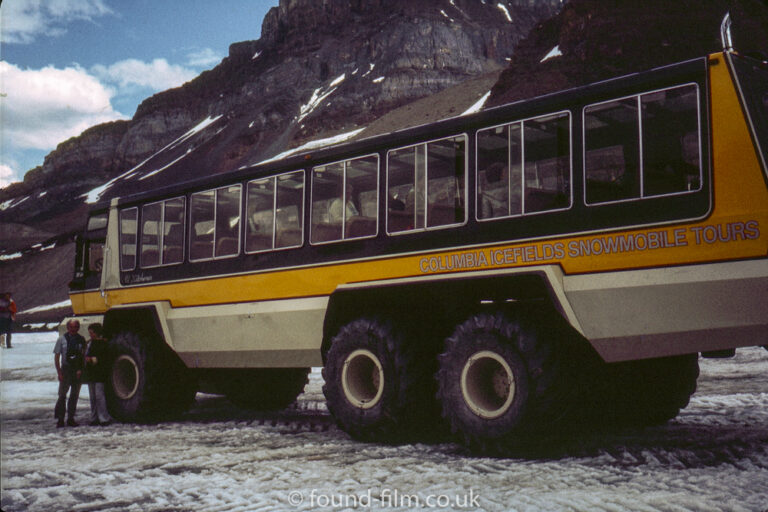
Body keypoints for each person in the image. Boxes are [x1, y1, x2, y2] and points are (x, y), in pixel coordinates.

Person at [53, 319, 86, 427]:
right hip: (66, 369)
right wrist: (59, 372)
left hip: (77, 370)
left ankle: (71, 418)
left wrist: (80, 369)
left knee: (74, 395)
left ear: (78, 328)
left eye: (76, 327)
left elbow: (83, 356)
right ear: (67, 328)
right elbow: (57, 357)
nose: (73, 329)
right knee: (62, 395)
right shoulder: (61, 339)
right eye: (71, 327)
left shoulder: (81, 339)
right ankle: (60, 419)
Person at [83, 323, 113, 426]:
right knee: (93, 396)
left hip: (99, 372)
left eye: (91, 333)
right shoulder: (91, 343)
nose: (90, 335)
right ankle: (95, 417)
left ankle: (103, 418)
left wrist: (91, 359)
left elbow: (105, 358)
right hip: (92, 373)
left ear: (96, 333)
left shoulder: (102, 344)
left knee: (99, 396)